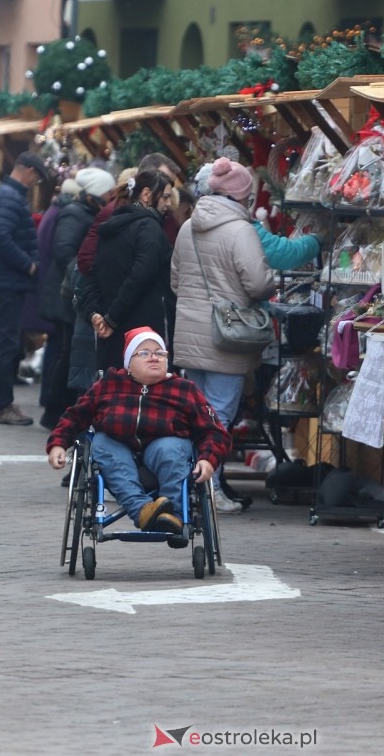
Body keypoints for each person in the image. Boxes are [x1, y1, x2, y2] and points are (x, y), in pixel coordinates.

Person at [46, 327, 231, 536]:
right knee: (102, 442)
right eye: (144, 353)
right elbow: (75, 416)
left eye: (160, 353)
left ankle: (176, 516)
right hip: (117, 448)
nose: (154, 358)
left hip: (165, 449)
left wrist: (208, 459)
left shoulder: (184, 389)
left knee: (171, 449)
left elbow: (214, 431)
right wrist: (58, 444)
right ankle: (143, 510)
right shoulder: (109, 384)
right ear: (128, 364)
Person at [170, 158, 276, 514]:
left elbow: (175, 281)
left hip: (189, 332)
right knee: (218, 416)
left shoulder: (187, 227)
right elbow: (259, 283)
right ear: (240, 196)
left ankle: (186, 485)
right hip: (226, 337)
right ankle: (209, 489)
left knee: (192, 414)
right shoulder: (239, 231)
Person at [38, 166, 115, 429]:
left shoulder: (83, 212)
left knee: (67, 350)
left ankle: (56, 409)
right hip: (68, 292)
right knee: (67, 350)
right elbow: (64, 252)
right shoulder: (75, 213)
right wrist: (86, 272)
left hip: (70, 290)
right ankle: (54, 409)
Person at [83, 169, 176, 373]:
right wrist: (110, 319)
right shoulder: (150, 229)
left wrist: (96, 314)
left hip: (113, 333)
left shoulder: (112, 227)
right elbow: (140, 277)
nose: (169, 204)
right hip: (142, 335)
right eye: (166, 196)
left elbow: (94, 275)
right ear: (146, 195)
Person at [0, 151, 49, 425]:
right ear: (29, 171)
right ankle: (2, 405)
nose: (35, 184)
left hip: (4, 279)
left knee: (5, 342)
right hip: (7, 280)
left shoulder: (5, 194)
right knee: (5, 343)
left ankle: (2, 403)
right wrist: (27, 265)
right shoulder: (11, 196)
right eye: (37, 177)